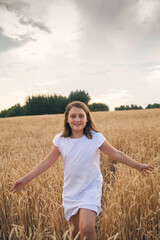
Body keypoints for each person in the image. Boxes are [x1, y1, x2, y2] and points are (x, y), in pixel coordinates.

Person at [11, 101, 153, 240]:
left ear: (87, 118)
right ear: (67, 119)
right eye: (73, 116)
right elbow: (46, 162)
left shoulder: (95, 137)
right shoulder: (60, 140)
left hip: (91, 188)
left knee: (86, 228)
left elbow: (116, 153)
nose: (77, 119)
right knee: (75, 234)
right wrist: (25, 179)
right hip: (70, 191)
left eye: (81, 116)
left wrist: (138, 165)